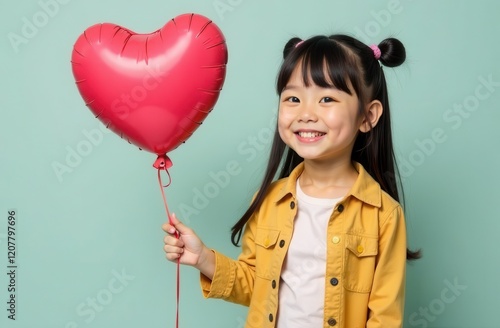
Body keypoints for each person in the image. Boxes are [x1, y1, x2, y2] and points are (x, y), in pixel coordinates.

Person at [162, 34, 420, 328]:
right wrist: (203, 258)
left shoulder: (383, 215)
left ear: (367, 116)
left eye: (327, 99)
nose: (306, 114)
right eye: (293, 98)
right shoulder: (269, 201)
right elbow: (255, 287)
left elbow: (385, 318)